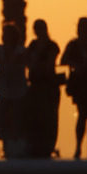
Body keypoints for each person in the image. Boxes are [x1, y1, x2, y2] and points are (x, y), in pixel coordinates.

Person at [60, 17, 87, 158]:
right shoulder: (73, 45)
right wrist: (76, 65)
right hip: (80, 85)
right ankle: (79, 146)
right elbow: (63, 60)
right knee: (83, 115)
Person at [25, 17, 61, 157]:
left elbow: (48, 64)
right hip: (35, 86)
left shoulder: (52, 45)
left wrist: (36, 63)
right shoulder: (33, 45)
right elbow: (29, 62)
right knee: (36, 117)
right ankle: (37, 145)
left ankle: (48, 146)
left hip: (48, 86)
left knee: (50, 117)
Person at [0, 22, 28, 156]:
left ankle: (16, 145)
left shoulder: (21, 50)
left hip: (18, 90)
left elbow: (20, 62)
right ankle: (7, 139)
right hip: (4, 89)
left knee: (17, 118)